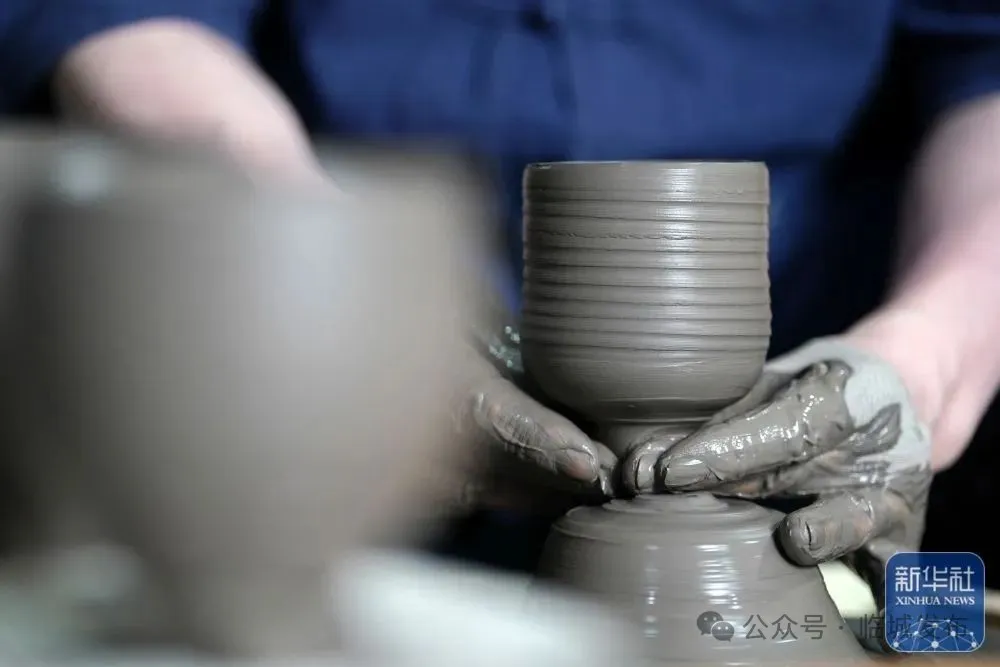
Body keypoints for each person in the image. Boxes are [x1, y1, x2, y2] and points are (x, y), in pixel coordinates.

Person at [1, 1, 999, 593]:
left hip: (818, 418)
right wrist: (345, 313)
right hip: (350, 444)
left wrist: (926, 354)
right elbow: (130, 21)